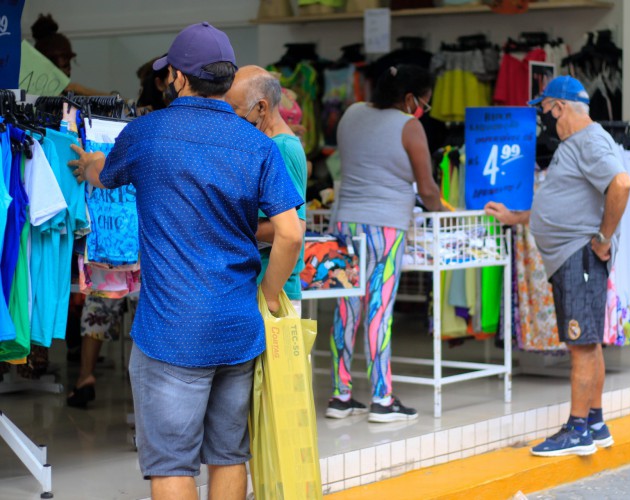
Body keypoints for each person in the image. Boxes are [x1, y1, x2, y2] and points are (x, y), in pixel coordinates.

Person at [68, 22, 303, 500]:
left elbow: (103, 174)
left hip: (171, 331)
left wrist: (89, 163)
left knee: (172, 463)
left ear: (177, 77)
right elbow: (291, 232)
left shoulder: (146, 132)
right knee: (229, 455)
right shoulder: (258, 144)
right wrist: (268, 294)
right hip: (238, 327)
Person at [485, 76, 630, 457]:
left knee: (581, 345)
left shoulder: (590, 141)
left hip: (578, 258)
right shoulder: (577, 144)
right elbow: (563, 205)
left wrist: (603, 238)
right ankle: (595, 423)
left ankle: (577, 430)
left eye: (544, 111)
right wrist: (515, 217)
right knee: (588, 343)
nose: (543, 120)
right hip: (573, 258)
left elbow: (622, 183)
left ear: (559, 107)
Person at [326, 64, 444, 423]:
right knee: (378, 308)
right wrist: (441, 209)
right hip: (387, 226)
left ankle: (340, 395)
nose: (422, 110)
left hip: (346, 222)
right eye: (424, 102)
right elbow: (427, 189)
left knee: (347, 308)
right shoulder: (409, 127)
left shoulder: (351, 114)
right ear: (409, 98)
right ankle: (382, 398)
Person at [67, 55, 174, 409]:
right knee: (151, 309)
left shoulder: (131, 120)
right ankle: (149, 391)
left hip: (115, 226)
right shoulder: (167, 123)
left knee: (101, 301)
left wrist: (78, 89)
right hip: (152, 231)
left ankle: (85, 375)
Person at [226, 66, 308, 314]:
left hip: (271, 291)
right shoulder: (271, 144)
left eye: (235, 109)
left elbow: (293, 229)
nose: (231, 119)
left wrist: (225, 225)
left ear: (261, 107)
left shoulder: (280, 148)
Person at [31, 13, 109, 96]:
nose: (69, 70)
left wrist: (86, 92)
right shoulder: (29, 96)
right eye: (65, 66)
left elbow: (117, 102)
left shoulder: (74, 93)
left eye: (68, 64)